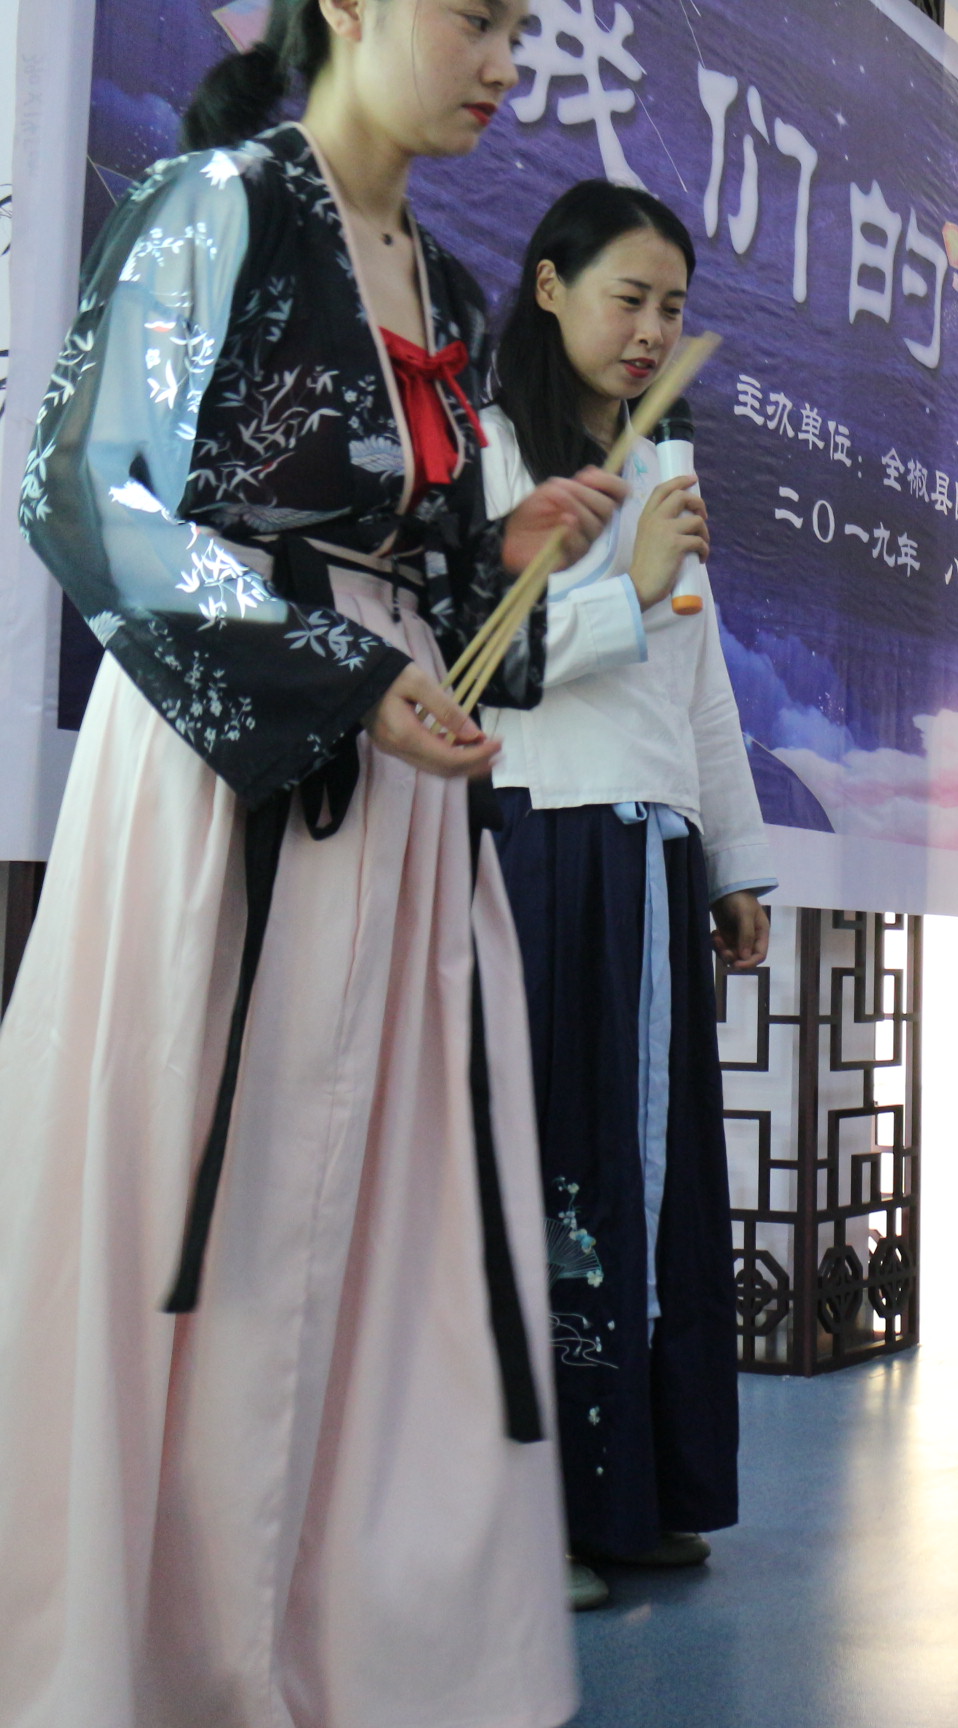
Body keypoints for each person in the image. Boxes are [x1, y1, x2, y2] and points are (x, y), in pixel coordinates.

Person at [0, 3, 625, 1723]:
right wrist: (343, 676)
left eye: (521, 29)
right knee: (200, 1196)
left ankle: (348, 1652)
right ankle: (140, 1653)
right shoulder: (215, 203)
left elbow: (417, 563)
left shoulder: (448, 286)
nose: (506, 63)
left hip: (392, 792)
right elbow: (91, 491)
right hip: (231, 777)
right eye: (478, 17)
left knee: (378, 1220)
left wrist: (501, 548)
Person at [478, 180, 776, 1611]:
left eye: (673, 307)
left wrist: (731, 858)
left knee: (650, 1185)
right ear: (549, 288)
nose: (653, 330)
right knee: (548, 1175)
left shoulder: (663, 460)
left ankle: (633, 1495)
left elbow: (699, 673)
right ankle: (527, 1517)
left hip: (650, 856)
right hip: (537, 843)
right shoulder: (487, 449)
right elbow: (478, 663)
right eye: (628, 299)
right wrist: (630, 588)